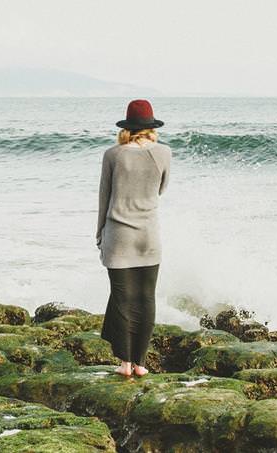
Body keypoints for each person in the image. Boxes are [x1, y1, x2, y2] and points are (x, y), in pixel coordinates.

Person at [95, 99, 171, 377]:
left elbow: (104, 198)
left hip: (118, 235)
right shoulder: (164, 153)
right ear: (151, 127)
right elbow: (162, 188)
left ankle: (125, 364)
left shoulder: (113, 154)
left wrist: (99, 234)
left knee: (122, 299)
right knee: (146, 298)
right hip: (149, 235)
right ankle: (141, 364)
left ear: (127, 127)